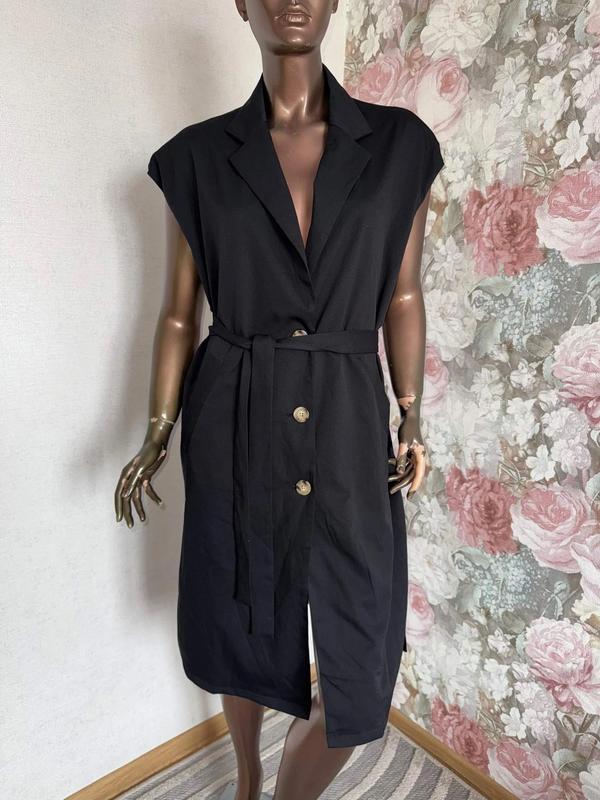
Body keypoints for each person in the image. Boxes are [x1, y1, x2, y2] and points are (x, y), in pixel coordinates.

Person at [115, 1, 443, 798]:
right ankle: (248, 775)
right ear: (239, 3)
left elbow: (404, 295)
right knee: (239, 612)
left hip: (349, 416)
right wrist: (157, 430)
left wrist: (411, 411)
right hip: (234, 412)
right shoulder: (196, 159)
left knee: (361, 650)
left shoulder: (400, 146)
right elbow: (176, 313)